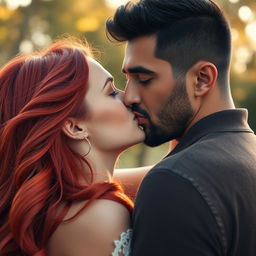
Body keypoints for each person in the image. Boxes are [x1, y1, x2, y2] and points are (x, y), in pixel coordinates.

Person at [106, 0, 256, 255]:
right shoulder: (246, 154)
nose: (129, 96)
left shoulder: (175, 182)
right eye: (127, 78)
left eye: (144, 79)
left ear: (201, 79)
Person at [0, 38, 145, 256]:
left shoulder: (60, 205)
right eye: (111, 92)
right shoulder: (100, 214)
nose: (130, 97)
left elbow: (165, 174)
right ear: (74, 127)